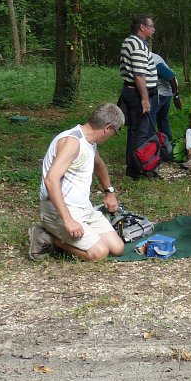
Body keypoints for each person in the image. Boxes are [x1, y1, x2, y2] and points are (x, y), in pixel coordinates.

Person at [29, 103, 126, 262]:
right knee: (100, 253)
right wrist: (68, 220)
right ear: (107, 128)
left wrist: (109, 192)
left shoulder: (90, 141)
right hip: (59, 210)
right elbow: (51, 180)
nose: (112, 136)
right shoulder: (72, 142)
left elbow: (99, 164)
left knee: (117, 248)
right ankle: (45, 236)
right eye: (115, 132)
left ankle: (70, 233)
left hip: (84, 208)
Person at [118, 14, 158, 179]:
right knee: (139, 132)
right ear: (142, 27)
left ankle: (137, 167)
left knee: (137, 131)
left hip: (135, 91)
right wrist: (145, 99)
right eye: (151, 26)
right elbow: (139, 75)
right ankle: (136, 169)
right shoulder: (136, 44)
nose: (153, 29)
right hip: (137, 93)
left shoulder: (136, 43)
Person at [149, 50, 182, 145]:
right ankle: (167, 142)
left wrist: (176, 96)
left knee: (151, 116)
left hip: (163, 92)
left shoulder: (153, 60)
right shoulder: (151, 56)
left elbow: (171, 76)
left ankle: (151, 142)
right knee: (162, 117)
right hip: (167, 91)